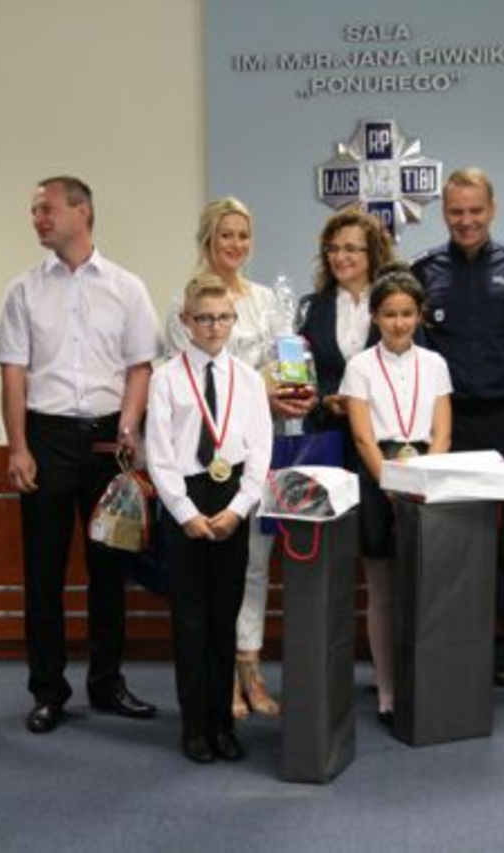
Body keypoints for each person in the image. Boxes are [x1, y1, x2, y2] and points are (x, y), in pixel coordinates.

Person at [0, 176, 162, 734]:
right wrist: (18, 446)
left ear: (82, 212)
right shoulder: (23, 290)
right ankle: (48, 691)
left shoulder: (126, 287)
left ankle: (107, 683)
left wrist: (130, 428)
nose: (37, 218)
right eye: (33, 210)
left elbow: (140, 366)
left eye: (46, 209)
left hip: (109, 440)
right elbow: (13, 374)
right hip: (45, 438)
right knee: (43, 573)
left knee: (109, 569)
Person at [165, 197, 316, 719]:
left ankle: (251, 668)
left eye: (243, 235)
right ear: (208, 238)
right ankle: (221, 672)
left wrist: (296, 391)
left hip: (262, 447)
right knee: (215, 568)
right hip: (206, 457)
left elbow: (285, 363)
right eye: (226, 234)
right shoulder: (186, 301)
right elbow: (189, 383)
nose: (236, 244)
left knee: (254, 563)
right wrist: (258, 395)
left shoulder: (268, 300)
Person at [413, 167, 504, 687]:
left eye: (475, 211)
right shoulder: (424, 272)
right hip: (446, 423)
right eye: (456, 211)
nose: (466, 221)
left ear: (492, 210)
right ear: (444, 213)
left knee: (503, 537)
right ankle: (449, 638)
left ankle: (501, 645)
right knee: (445, 535)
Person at [147, 274, 274, 763]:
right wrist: (184, 512)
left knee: (224, 617)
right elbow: (159, 454)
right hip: (187, 499)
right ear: (186, 321)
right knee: (191, 619)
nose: (214, 326)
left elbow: (260, 451)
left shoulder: (248, 379)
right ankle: (195, 726)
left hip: (231, 498)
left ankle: (223, 723)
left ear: (233, 320)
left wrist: (239, 509)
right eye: (204, 318)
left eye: (223, 318)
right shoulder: (166, 378)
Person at [340, 263, 453, 726]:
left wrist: (424, 478)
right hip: (377, 476)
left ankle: (423, 682)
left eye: (407, 313)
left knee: (425, 586)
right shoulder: (360, 366)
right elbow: (362, 436)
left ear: (420, 315)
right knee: (382, 590)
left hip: (427, 472)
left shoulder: (436, 364)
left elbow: (443, 432)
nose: (399, 323)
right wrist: (389, 482)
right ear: (375, 317)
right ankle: (386, 689)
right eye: (389, 314)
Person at [296, 207, 396, 714]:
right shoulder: (310, 308)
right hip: (328, 446)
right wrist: (322, 401)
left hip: (379, 451)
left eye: (353, 248)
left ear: (373, 253)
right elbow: (297, 379)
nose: (341, 257)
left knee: (381, 571)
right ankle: (325, 685)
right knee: (328, 570)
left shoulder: (394, 303)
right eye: (334, 249)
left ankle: (388, 686)